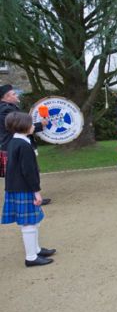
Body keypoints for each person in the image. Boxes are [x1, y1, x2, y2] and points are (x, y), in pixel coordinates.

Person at [1, 112, 56, 267]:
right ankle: (31, 257)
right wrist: (36, 191)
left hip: (17, 187)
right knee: (29, 223)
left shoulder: (14, 141)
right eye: (31, 124)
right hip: (23, 188)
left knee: (32, 221)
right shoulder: (24, 145)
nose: (34, 126)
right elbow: (28, 171)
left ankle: (36, 249)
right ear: (23, 126)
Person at [0, 84, 51, 205]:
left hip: (14, 145)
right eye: (13, 94)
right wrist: (40, 125)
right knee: (26, 171)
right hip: (14, 145)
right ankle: (33, 197)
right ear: (6, 97)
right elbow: (17, 126)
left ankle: (31, 196)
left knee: (26, 171)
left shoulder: (9, 108)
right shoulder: (5, 110)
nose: (16, 95)